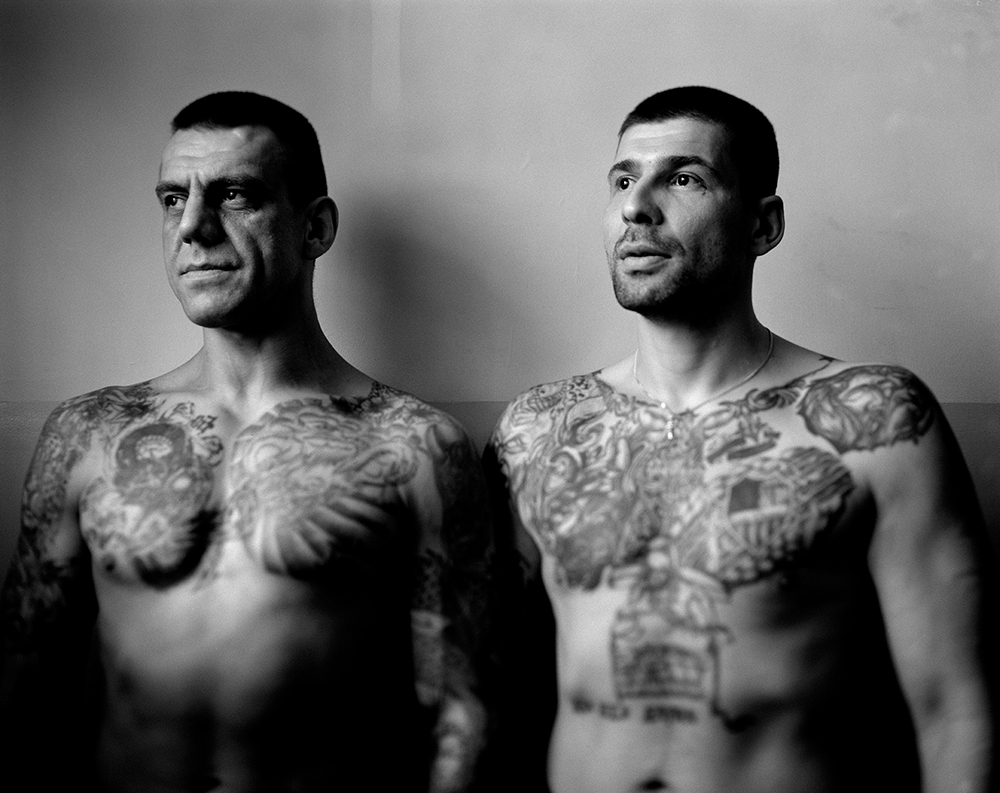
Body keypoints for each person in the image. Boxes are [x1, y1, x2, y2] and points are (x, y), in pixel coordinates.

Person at [486, 86, 996, 793]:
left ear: (763, 225)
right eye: (624, 181)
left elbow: (955, 710)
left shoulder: (875, 421)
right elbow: (491, 694)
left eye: (684, 179)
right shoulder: (537, 429)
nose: (637, 208)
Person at [0, 91, 493, 793]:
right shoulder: (89, 433)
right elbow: (23, 693)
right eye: (173, 199)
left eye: (234, 195)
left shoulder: (413, 445)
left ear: (315, 227)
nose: (192, 228)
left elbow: (459, 714)